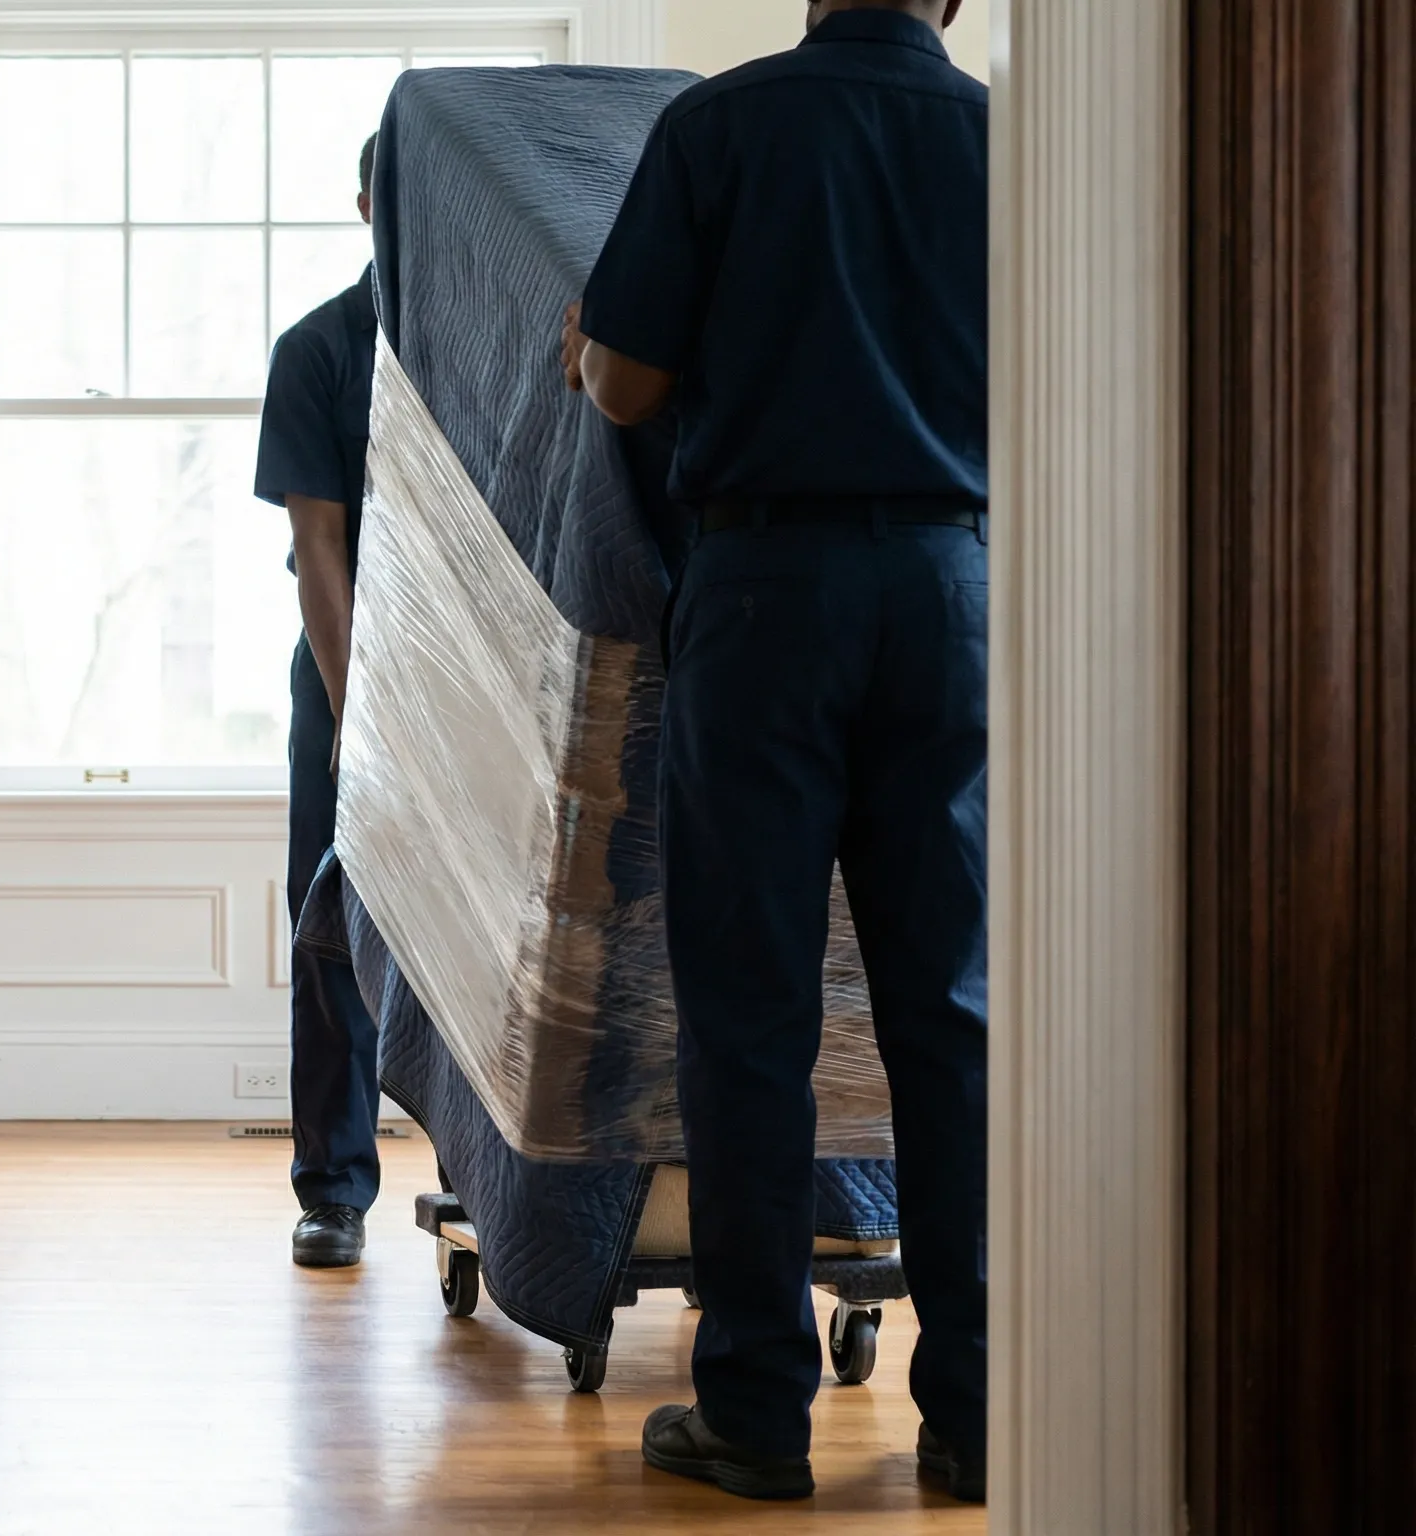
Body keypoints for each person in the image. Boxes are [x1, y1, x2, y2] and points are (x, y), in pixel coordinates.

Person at [561, 0, 989, 1505]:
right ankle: (981, 1415)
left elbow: (621, 385)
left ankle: (755, 1413)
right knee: (953, 1015)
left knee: (751, 1019)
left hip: (764, 594)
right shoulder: (1009, 142)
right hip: (954, 591)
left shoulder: (718, 127)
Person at [253, 133, 383, 1270]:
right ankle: (333, 1187)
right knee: (333, 925)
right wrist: (357, 715)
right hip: (350, 665)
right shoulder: (319, 351)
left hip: (502, 684)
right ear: (365, 204)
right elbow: (319, 543)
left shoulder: (487, 342)